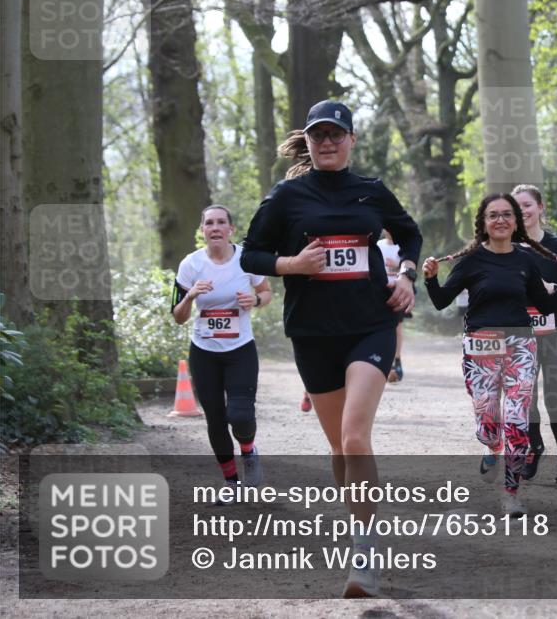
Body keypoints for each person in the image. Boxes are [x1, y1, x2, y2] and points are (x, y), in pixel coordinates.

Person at [241, 100, 421, 598]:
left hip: (371, 325)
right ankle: (360, 523)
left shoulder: (371, 192)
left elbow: (409, 233)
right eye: (318, 135)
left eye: (335, 135)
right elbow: (251, 253)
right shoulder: (286, 197)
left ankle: (363, 553)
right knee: (339, 447)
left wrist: (407, 276)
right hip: (314, 332)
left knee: (355, 437)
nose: (327, 142)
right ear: (309, 140)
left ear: (350, 140)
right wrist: (291, 265)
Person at [422, 193, 557, 517]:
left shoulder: (525, 260)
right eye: (493, 215)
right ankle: (491, 445)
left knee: (516, 422)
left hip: (521, 346)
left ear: (515, 222)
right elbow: (441, 301)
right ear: (483, 222)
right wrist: (430, 279)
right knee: (488, 425)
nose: (500, 220)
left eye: (506, 214)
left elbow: (545, 305)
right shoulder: (471, 261)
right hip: (481, 347)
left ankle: (511, 494)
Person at [171, 205, 272, 500]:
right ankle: (231, 484)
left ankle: (249, 451)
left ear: (231, 229)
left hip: (240, 349)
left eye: (221, 223)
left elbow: (266, 293)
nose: (215, 228)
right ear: (202, 230)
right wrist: (190, 296)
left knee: (239, 414)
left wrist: (254, 299)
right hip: (204, 352)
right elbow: (178, 316)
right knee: (215, 419)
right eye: (209, 223)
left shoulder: (246, 259)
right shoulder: (190, 265)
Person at [512, 184, 557, 484]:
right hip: (520, 333)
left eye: (527, 205)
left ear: (540, 208)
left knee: (554, 399)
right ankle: (534, 446)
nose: (523, 212)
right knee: (525, 397)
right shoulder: (508, 247)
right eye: (517, 207)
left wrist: (551, 288)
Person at [377, 230, 408, 382]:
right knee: (379, 328)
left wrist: (396, 266)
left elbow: (409, 268)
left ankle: (397, 361)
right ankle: (381, 363)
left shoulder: (402, 246)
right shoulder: (378, 245)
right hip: (380, 291)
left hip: (398, 290)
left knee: (397, 328)